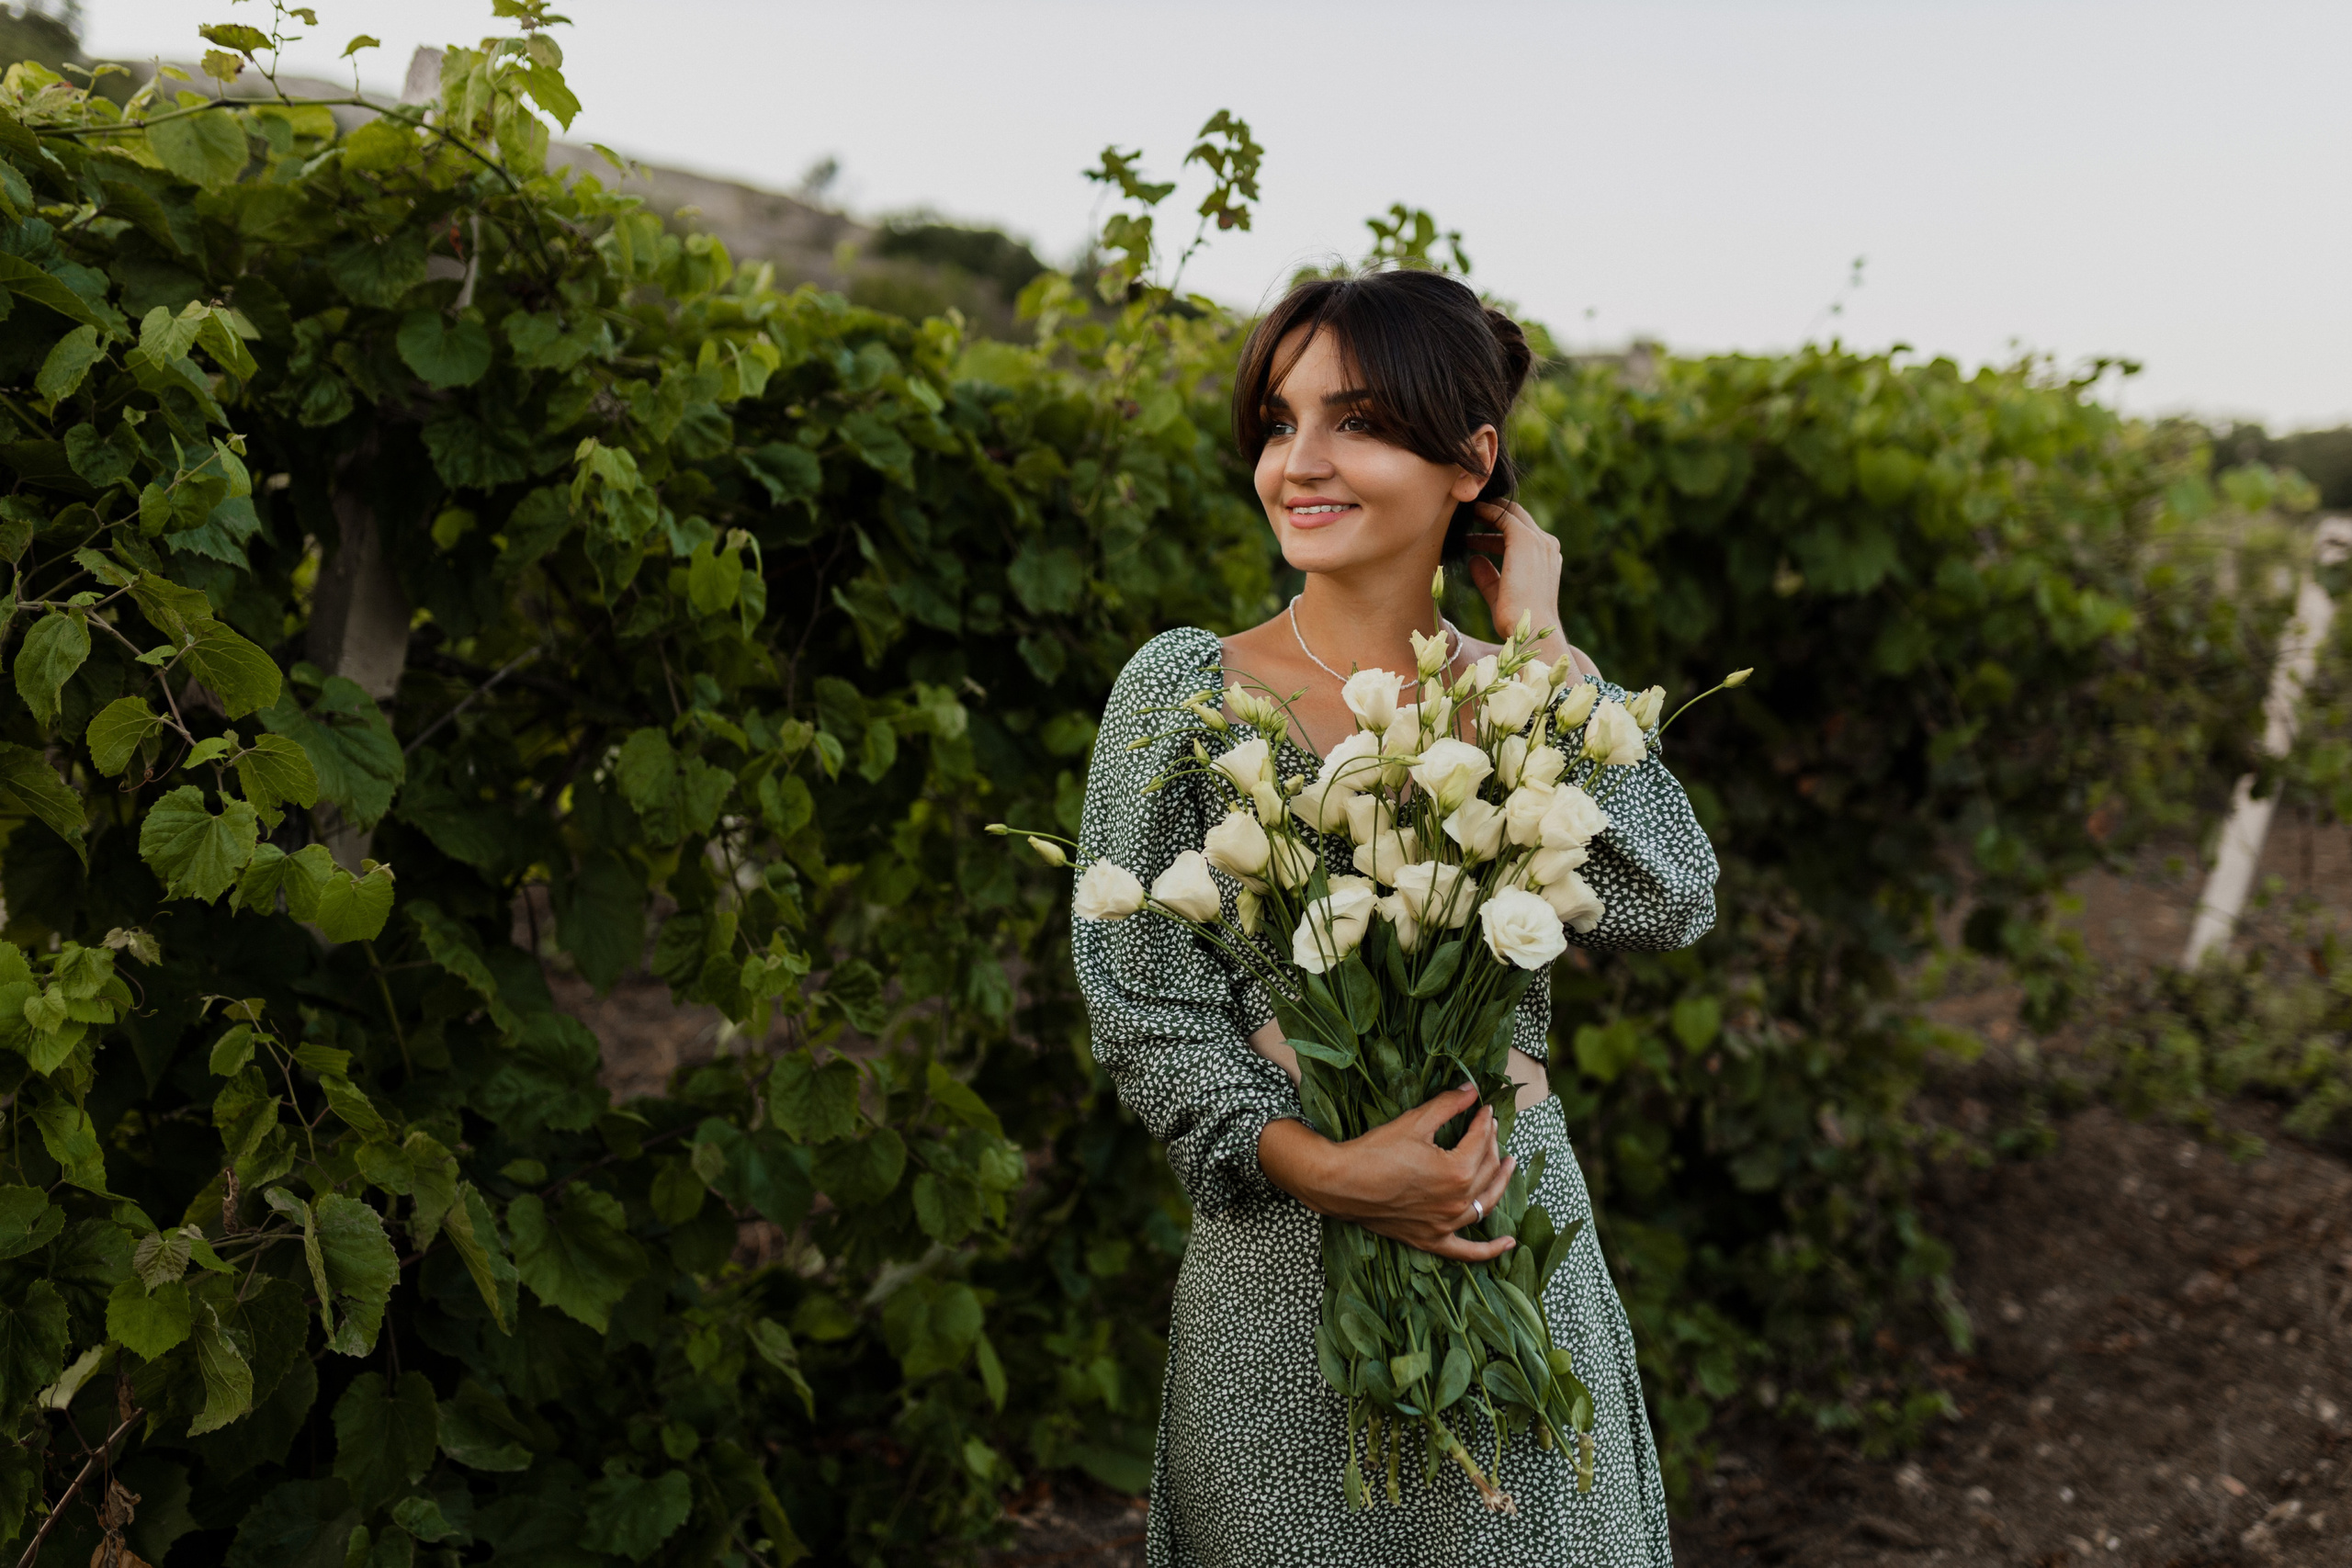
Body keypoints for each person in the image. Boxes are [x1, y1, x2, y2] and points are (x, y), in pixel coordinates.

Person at [1070, 267, 1718, 1568]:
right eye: (1277, 421)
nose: (1298, 462)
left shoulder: (1533, 694)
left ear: (1470, 460)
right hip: (1279, 1271)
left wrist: (1537, 644)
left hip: (1503, 1229)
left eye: (1354, 422)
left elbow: (1667, 896)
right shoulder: (1184, 693)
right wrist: (1332, 1172)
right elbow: (1141, 1002)